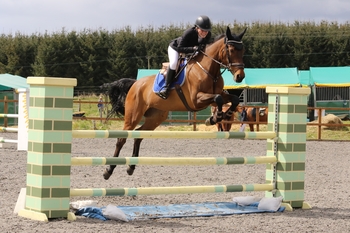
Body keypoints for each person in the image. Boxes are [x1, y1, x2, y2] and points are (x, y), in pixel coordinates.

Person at [157, 15, 212, 99]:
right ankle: (166, 88)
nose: (204, 33)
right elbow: (180, 48)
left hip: (191, 52)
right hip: (175, 48)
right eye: (202, 30)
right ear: (197, 28)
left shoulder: (208, 35)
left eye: (206, 31)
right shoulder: (189, 32)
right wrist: (192, 49)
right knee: (174, 64)